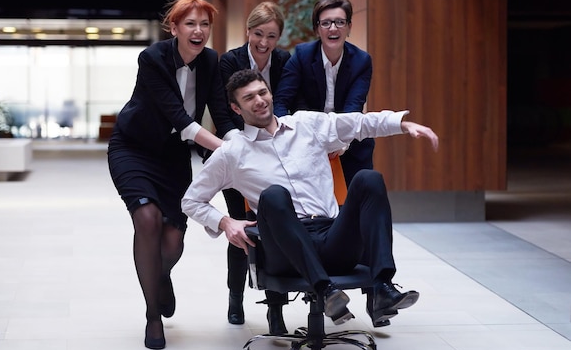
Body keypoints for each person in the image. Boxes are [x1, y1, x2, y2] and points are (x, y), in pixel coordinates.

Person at [182, 69, 438, 328]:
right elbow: (191, 200)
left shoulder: (306, 125)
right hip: (285, 252)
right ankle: (325, 292)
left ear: (271, 94)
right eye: (249, 98)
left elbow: (358, 124)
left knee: (368, 179)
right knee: (273, 195)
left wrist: (402, 125)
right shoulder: (232, 153)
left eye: (262, 92)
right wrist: (226, 222)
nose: (259, 100)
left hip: (332, 237)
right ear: (236, 109)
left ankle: (383, 287)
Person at [107, 0, 237, 350]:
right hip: (133, 148)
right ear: (175, 28)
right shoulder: (152, 58)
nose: (199, 31)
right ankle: (152, 316)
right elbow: (179, 118)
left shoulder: (212, 62)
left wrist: (239, 140)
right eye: (191, 24)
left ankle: (160, 276)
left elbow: (221, 114)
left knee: (173, 241)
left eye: (205, 25)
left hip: (173, 157)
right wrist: (227, 150)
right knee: (147, 218)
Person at [218, 1, 291, 333]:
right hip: (238, 155)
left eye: (272, 36)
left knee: (276, 230)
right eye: (259, 34)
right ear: (248, 31)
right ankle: (236, 297)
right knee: (243, 230)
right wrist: (241, 142)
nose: (264, 42)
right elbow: (222, 110)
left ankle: (275, 309)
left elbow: (287, 102)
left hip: (276, 155)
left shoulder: (286, 61)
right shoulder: (229, 61)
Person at [273, 0, 375, 186]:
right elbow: (281, 101)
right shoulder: (302, 55)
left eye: (340, 22)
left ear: (349, 27)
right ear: (317, 29)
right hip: (307, 140)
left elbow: (353, 107)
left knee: (356, 201)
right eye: (326, 23)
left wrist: (340, 142)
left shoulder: (361, 61)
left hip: (348, 140)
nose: (333, 28)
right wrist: (286, 135)